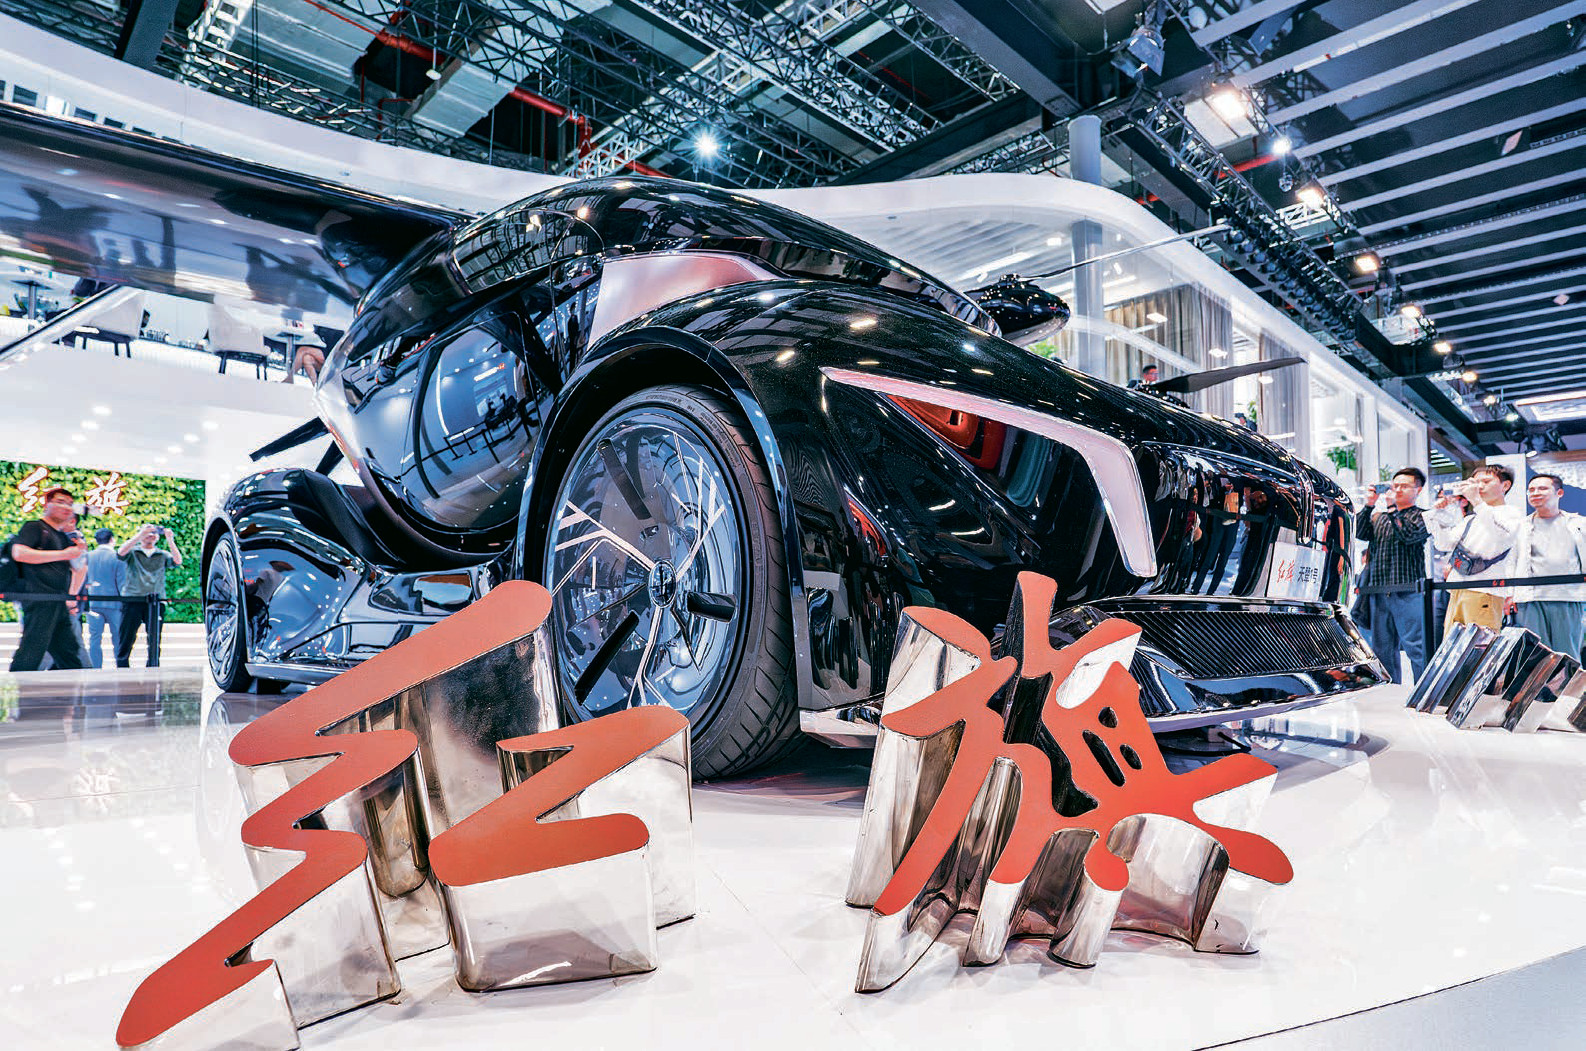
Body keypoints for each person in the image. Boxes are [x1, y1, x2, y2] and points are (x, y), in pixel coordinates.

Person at [1355, 468, 1430, 683]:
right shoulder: (1379, 517)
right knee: (1382, 649)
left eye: (1404, 486)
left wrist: (1391, 508)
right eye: (1394, 485)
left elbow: (1408, 535)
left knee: (1416, 648)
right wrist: (1369, 505)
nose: (1397, 490)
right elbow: (1360, 533)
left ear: (1418, 490)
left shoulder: (1423, 515)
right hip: (1379, 591)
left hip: (1408, 590)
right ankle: (1390, 692)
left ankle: (1422, 692)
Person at [1428, 464, 1521, 632]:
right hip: (1457, 588)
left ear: (1505, 485)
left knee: (1479, 643)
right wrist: (1436, 514)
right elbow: (1443, 544)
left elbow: (1499, 534)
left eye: (1486, 481)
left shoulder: (1510, 513)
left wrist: (1476, 501)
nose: (1479, 487)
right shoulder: (1471, 518)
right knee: (1452, 644)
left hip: (1485, 591)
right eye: (1476, 482)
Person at [8, 487, 86, 672]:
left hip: (57, 601)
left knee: (69, 653)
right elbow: (19, 553)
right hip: (39, 599)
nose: (66, 507)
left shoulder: (61, 536)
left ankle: (72, 687)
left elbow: (77, 568)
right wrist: (64, 554)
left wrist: (76, 553)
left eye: (69, 504)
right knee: (32, 651)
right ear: (46, 504)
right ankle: (15, 687)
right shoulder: (35, 527)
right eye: (60, 502)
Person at [1508, 474, 1586, 658]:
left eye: (1542, 488)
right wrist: (1509, 594)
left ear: (1559, 493)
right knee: (1534, 656)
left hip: (1567, 596)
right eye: (1531, 490)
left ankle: (1570, 680)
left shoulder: (1579, 524)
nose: (1535, 493)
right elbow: (1512, 561)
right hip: (1529, 599)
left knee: (1567, 654)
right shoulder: (1520, 526)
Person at [115, 524, 182, 668]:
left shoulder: (162, 554)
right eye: (148, 531)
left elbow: (177, 561)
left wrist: (170, 539)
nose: (151, 534)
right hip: (133, 598)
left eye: (154, 532)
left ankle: (153, 667)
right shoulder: (133, 552)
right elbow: (120, 553)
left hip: (156, 600)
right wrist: (140, 534)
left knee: (154, 638)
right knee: (126, 637)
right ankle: (122, 667)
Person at [82, 527, 126, 669]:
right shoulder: (118, 557)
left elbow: (83, 579)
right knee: (118, 638)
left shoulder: (88, 556)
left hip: (93, 602)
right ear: (112, 539)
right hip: (114, 603)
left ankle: (95, 668)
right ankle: (121, 666)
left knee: (94, 639)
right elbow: (122, 583)